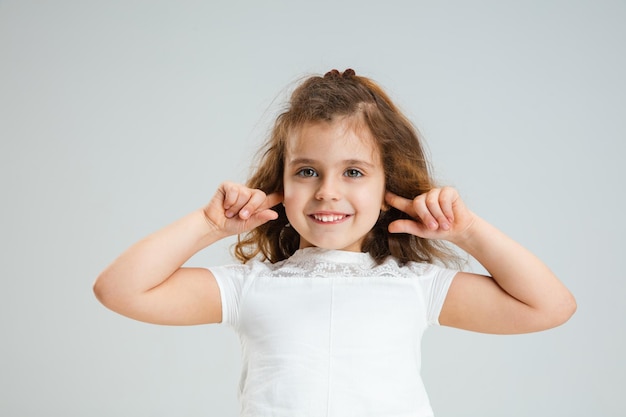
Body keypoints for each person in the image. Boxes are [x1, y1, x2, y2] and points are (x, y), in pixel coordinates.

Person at [93, 68, 576, 416]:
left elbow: (549, 306)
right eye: (307, 171)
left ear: (389, 188)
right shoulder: (251, 287)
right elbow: (120, 290)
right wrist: (208, 224)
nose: (327, 190)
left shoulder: (416, 286)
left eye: (353, 172)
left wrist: (468, 231)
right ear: (278, 184)